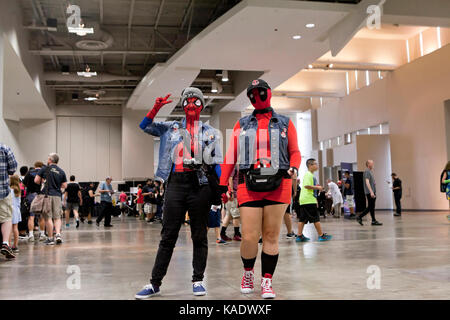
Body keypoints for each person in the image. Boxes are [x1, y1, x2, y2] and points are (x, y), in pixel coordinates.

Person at [135, 87, 222, 299]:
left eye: (195, 101)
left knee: (199, 235)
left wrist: (218, 194)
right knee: (168, 235)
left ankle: (198, 280)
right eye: (187, 101)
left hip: (199, 185)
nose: (191, 105)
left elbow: (216, 165)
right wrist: (156, 108)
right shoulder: (170, 127)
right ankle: (155, 283)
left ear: (202, 104)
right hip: (175, 184)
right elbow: (144, 126)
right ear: (182, 105)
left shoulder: (210, 132)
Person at [218, 79, 301, 299]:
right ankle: (247, 273)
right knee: (249, 236)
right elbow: (231, 155)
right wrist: (222, 183)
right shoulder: (242, 124)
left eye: (260, 92)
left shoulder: (285, 123)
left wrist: (294, 167)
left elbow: (295, 151)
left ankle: (266, 281)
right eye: (251, 94)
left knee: (272, 235)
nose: (256, 96)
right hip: (249, 183)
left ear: (269, 93)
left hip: (279, 183)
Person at [34, 153, 68, 245]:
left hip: (47, 195)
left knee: (48, 217)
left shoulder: (44, 169)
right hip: (57, 195)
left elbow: (36, 180)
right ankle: (57, 234)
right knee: (57, 217)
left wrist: (44, 182)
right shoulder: (61, 171)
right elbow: (65, 185)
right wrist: (57, 185)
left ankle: (50, 238)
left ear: (50, 160)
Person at [296, 159, 332, 243]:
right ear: (310, 165)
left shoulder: (309, 175)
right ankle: (321, 236)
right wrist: (318, 187)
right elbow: (306, 186)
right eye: (315, 164)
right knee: (316, 218)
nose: (317, 165)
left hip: (304, 200)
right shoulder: (309, 175)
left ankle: (299, 236)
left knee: (302, 219)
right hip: (308, 200)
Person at [0, 143, 17, 259]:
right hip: (2, 191)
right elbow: (12, 169)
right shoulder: (4, 148)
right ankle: (5, 243)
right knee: (6, 218)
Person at [23, 161, 45, 241]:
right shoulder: (43, 172)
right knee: (41, 217)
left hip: (30, 195)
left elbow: (24, 184)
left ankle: (31, 235)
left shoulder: (29, 173)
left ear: (35, 165)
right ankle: (42, 234)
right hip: (40, 195)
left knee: (31, 216)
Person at [356, 160, 383, 226]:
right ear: (368, 164)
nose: (373, 164)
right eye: (372, 163)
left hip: (372, 192)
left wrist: (374, 183)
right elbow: (367, 182)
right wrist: (371, 192)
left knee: (372, 207)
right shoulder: (367, 171)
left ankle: (373, 220)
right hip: (370, 192)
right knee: (370, 207)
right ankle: (359, 217)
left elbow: (370, 182)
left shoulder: (370, 172)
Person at [220, 167, 241, 241]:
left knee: (229, 215)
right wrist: (231, 192)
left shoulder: (234, 165)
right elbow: (230, 178)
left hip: (231, 193)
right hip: (233, 194)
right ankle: (236, 234)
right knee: (236, 215)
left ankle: (222, 234)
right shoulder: (233, 166)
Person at [9, 175, 21, 253]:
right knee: (15, 228)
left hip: (9, 209)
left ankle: (8, 245)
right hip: (17, 210)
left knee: (9, 229)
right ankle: (15, 246)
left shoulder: (9, 190)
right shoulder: (18, 190)